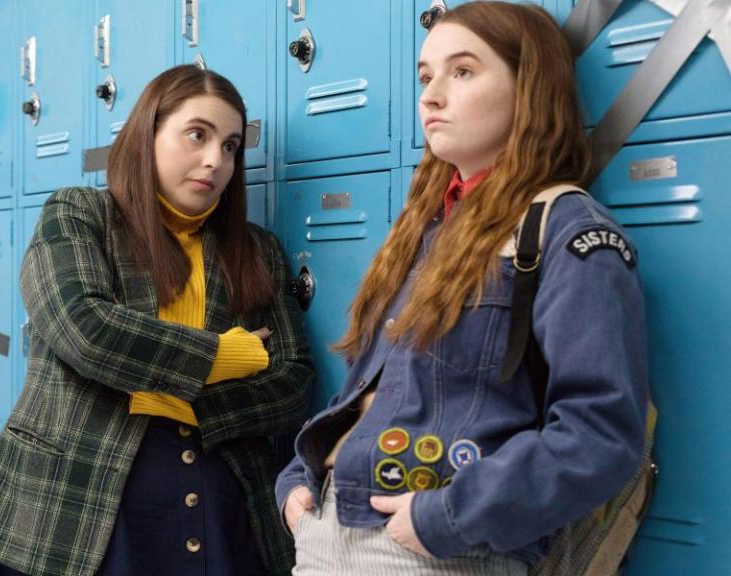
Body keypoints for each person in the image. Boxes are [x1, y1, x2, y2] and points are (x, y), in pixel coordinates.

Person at [276, 2, 649, 574]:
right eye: (426, 76)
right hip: (327, 532)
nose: (430, 95)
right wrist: (299, 480)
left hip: (434, 551)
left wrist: (446, 516)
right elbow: (373, 390)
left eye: (463, 71)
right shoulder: (424, 230)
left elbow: (599, 434)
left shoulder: (566, 229)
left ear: (529, 90)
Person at [0, 64, 314, 576]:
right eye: (197, 135)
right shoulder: (78, 214)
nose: (215, 160)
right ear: (147, 135)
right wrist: (222, 355)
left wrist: (176, 399)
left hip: (219, 503)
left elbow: (293, 381)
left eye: (231, 146)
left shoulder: (257, 251)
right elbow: (85, 330)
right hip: (68, 504)